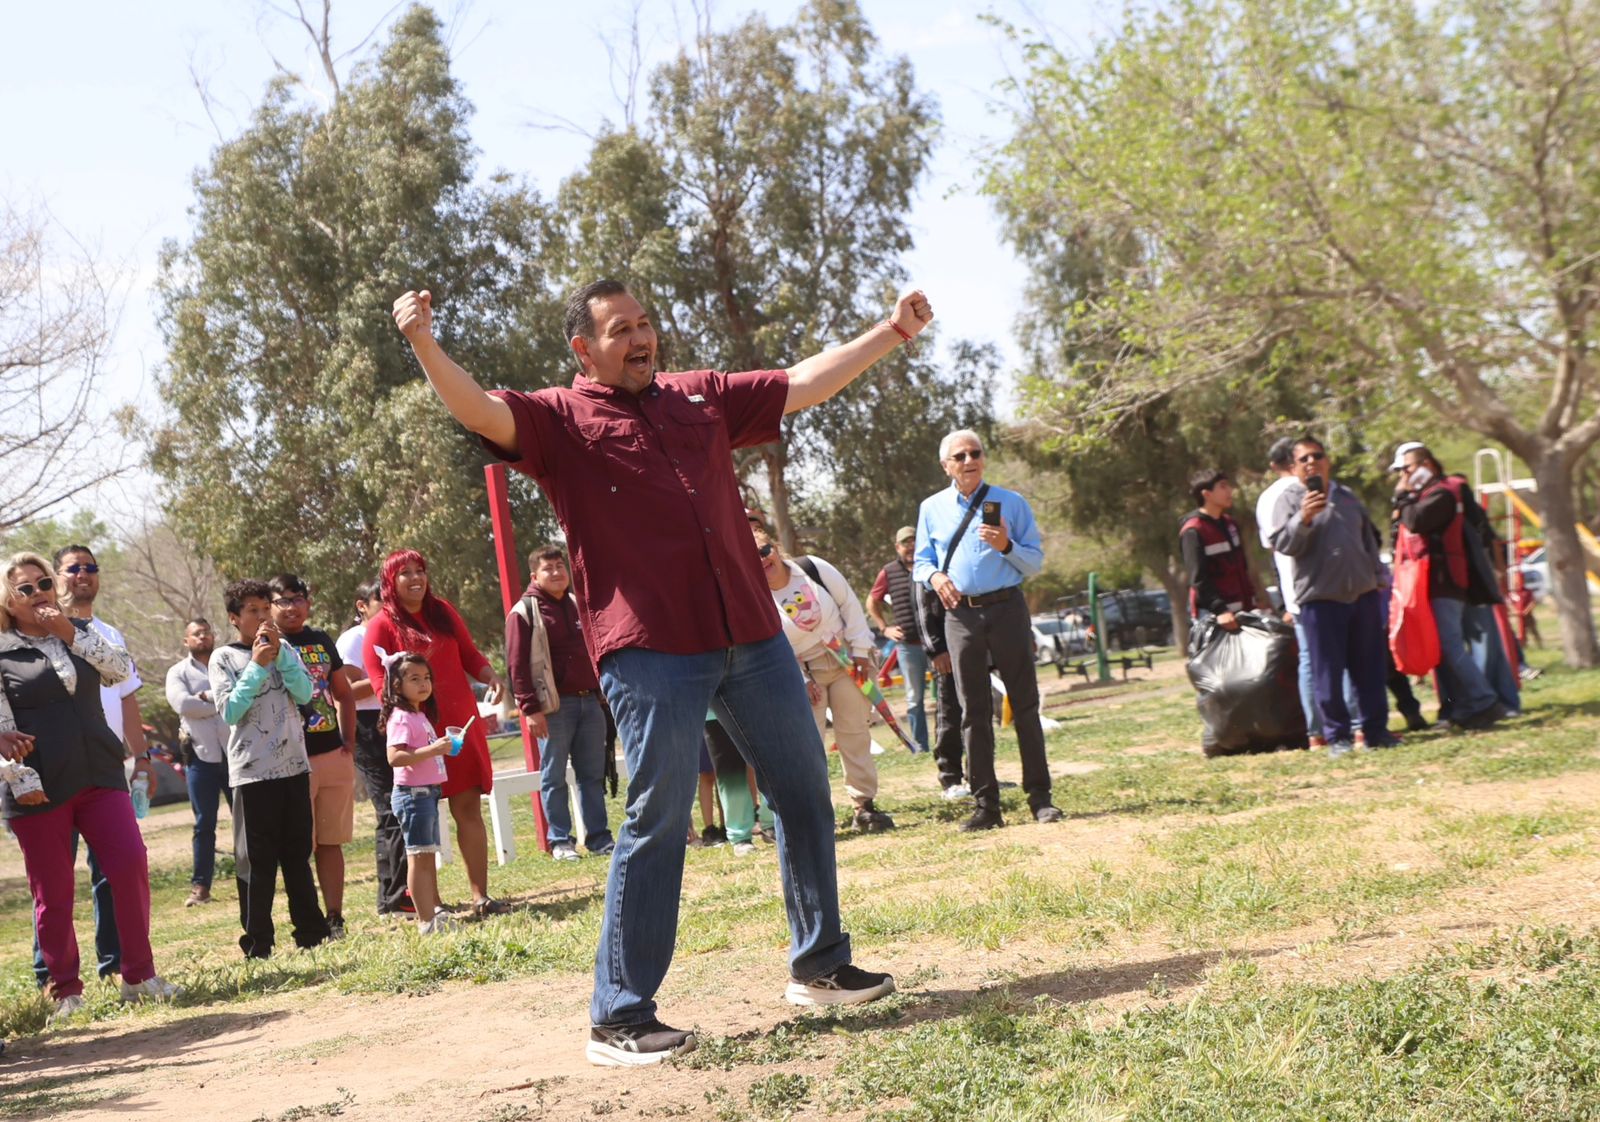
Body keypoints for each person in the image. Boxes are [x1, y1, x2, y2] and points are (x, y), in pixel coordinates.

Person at [392, 277, 921, 1065]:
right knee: (659, 815)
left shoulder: (698, 397)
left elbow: (801, 383)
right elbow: (480, 412)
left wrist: (891, 331)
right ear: (584, 348)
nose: (641, 338)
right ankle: (619, 1016)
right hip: (651, 651)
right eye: (621, 329)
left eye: (645, 323)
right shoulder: (558, 418)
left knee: (805, 789)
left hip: (751, 636)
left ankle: (820, 964)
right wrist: (423, 342)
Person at [0, 551, 179, 1019]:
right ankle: (66, 990)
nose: (39, 593)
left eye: (44, 583)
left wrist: (67, 631)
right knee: (54, 893)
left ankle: (139, 977)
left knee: (130, 864)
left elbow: (118, 671)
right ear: (8, 601)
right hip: (39, 786)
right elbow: (2, 730)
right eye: (25, 589)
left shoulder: (79, 632)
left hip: (100, 774)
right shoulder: (1, 651)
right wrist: (17, 778)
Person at [913, 429, 1061, 831]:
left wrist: (1006, 546)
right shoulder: (931, 508)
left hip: (1007, 608)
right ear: (945, 466)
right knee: (973, 712)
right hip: (960, 616)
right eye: (959, 456)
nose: (969, 461)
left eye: (975, 453)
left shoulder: (1011, 503)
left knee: (1025, 705)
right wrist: (935, 577)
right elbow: (921, 563)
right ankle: (986, 806)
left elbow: (1034, 563)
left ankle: (1040, 798)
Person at [30, 544, 152, 987]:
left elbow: (126, 695)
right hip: (52, 774)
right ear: (55, 576)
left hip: (105, 768)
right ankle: (51, 976)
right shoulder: (30, 637)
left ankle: (117, 965)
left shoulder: (107, 634)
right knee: (52, 880)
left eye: (90, 567)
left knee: (117, 869)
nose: (83, 574)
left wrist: (141, 758)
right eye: (72, 568)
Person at [363, 550, 508, 917]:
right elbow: (379, 681)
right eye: (405, 573)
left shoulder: (442, 611)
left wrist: (490, 675)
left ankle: (480, 897)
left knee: (468, 807)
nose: (416, 578)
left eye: (421, 571)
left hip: (459, 722)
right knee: (424, 816)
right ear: (390, 582)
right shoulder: (381, 625)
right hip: (417, 730)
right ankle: (434, 905)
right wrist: (405, 713)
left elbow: (470, 654)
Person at [210, 579, 330, 958]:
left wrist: (279, 658)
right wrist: (258, 665)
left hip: (293, 767)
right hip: (253, 774)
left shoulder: (285, 649)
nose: (263, 617)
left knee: (297, 856)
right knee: (256, 863)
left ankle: (312, 933)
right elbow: (231, 711)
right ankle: (258, 943)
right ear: (234, 618)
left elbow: (306, 693)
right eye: (253, 611)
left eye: (266, 609)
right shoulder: (223, 658)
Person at [757, 531, 894, 832]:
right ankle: (817, 815)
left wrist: (861, 652)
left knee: (854, 734)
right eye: (753, 557)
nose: (762, 559)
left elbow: (850, 606)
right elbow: (771, 645)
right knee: (808, 746)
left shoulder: (812, 568)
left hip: (847, 660)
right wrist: (801, 679)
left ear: (776, 548)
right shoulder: (757, 597)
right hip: (805, 672)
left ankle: (864, 806)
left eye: (765, 550)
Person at [1270, 438, 1397, 757]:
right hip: (1320, 599)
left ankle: (1376, 731)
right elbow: (1283, 544)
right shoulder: (1288, 500)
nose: (1311, 462)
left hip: (1363, 595)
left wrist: (1378, 576)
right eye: (1304, 459)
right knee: (1327, 672)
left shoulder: (1347, 496)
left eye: (1317, 456)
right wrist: (1304, 518)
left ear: (1327, 461)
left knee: (1369, 669)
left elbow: (1368, 540)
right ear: (1294, 467)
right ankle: (1337, 737)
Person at [1391, 442, 1513, 728]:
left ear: (1426, 465)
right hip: (1430, 584)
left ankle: (1485, 700)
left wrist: (1402, 497)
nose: (1403, 476)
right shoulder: (1424, 495)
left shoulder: (1442, 493)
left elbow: (1416, 521)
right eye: (1400, 472)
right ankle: (1463, 708)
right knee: (1444, 647)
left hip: (1447, 582)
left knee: (1450, 645)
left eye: (1407, 469)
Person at [506, 544, 614, 861]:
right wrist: (530, 709)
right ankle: (560, 841)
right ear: (534, 576)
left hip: (589, 703)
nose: (556, 572)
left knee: (592, 775)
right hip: (553, 708)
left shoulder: (578, 604)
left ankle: (599, 839)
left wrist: (601, 695)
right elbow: (517, 666)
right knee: (553, 777)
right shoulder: (524, 612)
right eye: (548, 568)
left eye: (560, 566)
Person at [268, 574, 358, 938]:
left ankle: (335, 917)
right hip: (291, 760)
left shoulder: (321, 640)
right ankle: (309, 921)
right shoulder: (266, 644)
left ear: (308, 602)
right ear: (270, 607)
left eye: (297, 599)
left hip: (332, 753)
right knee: (302, 845)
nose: (291, 607)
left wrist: (349, 740)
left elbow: (344, 693)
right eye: (282, 600)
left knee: (331, 841)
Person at [336, 580, 410, 917]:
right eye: (381, 600)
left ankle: (402, 894)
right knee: (390, 810)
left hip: (397, 719)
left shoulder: (397, 631)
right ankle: (395, 898)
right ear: (361, 605)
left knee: (403, 807)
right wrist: (390, 675)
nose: (388, 605)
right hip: (368, 725)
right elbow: (348, 691)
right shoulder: (353, 640)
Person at [381, 650, 454, 934]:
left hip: (427, 792)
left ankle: (430, 914)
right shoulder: (401, 717)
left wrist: (439, 749)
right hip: (414, 794)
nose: (423, 684)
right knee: (418, 857)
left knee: (425, 856)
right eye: (414, 678)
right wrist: (433, 750)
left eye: (426, 677)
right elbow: (395, 757)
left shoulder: (418, 714)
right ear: (397, 685)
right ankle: (426, 920)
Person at [165, 618, 231, 906]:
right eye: (196, 634)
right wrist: (222, 701)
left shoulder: (227, 664)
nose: (202, 637)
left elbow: (244, 696)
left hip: (235, 754)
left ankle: (254, 876)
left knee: (247, 819)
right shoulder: (177, 672)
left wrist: (205, 698)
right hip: (200, 758)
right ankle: (201, 887)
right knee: (204, 824)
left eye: (206, 632)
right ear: (186, 640)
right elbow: (183, 705)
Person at [867, 525, 931, 753]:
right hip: (908, 646)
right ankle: (921, 747)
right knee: (914, 699)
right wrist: (884, 628)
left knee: (947, 695)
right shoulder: (889, 572)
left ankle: (953, 742)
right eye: (906, 543)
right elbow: (872, 601)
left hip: (937, 644)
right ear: (897, 547)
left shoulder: (930, 565)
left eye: (914, 541)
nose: (911, 546)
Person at [912, 563, 969, 800]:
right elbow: (921, 612)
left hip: (970, 646)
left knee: (978, 713)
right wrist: (935, 651)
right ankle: (950, 778)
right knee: (949, 715)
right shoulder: (926, 569)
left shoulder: (959, 563)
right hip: (945, 654)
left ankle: (979, 775)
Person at [1180, 470, 1257, 628]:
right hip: (1215, 617)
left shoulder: (1230, 524)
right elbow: (1198, 578)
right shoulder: (1193, 530)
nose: (1229, 491)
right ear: (1206, 494)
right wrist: (1220, 610)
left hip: (1241, 613)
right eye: (1223, 486)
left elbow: (1242, 567)